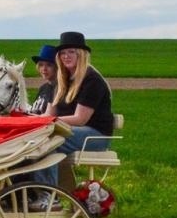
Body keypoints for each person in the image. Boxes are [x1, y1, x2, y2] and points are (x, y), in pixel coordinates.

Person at [37, 31, 114, 187]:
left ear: (81, 54)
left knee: (48, 140)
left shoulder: (92, 80)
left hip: (94, 136)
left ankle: (47, 192)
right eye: (63, 53)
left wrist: (50, 122)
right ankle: (33, 189)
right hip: (70, 131)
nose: (66, 56)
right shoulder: (61, 81)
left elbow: (80, 119)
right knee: (31, 139)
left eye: (71, 52)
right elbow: (48, 114)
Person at [28, 44, 57, 115]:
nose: (44, 69)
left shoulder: (59, 89)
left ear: (57, 67)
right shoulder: (43, 88)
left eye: (49, 65)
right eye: (41, 65)